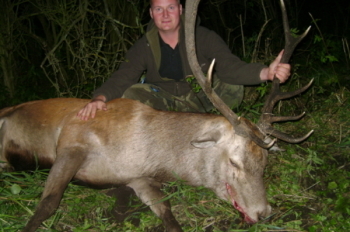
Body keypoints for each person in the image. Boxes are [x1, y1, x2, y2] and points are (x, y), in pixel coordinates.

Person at [77, 0, 290, 120]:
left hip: (199, 98)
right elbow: (123, 76)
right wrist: (100, 98)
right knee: (130, 94)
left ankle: (207, 120)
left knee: (234, 87)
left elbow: (229, 67)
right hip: (165, 102)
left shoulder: (203, 37)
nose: (165, 14)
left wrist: (266, 73)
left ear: (181, 9)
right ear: (151, 13)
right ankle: (164, 126)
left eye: (171, 7)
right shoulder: (144, 45)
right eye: (159, 9)